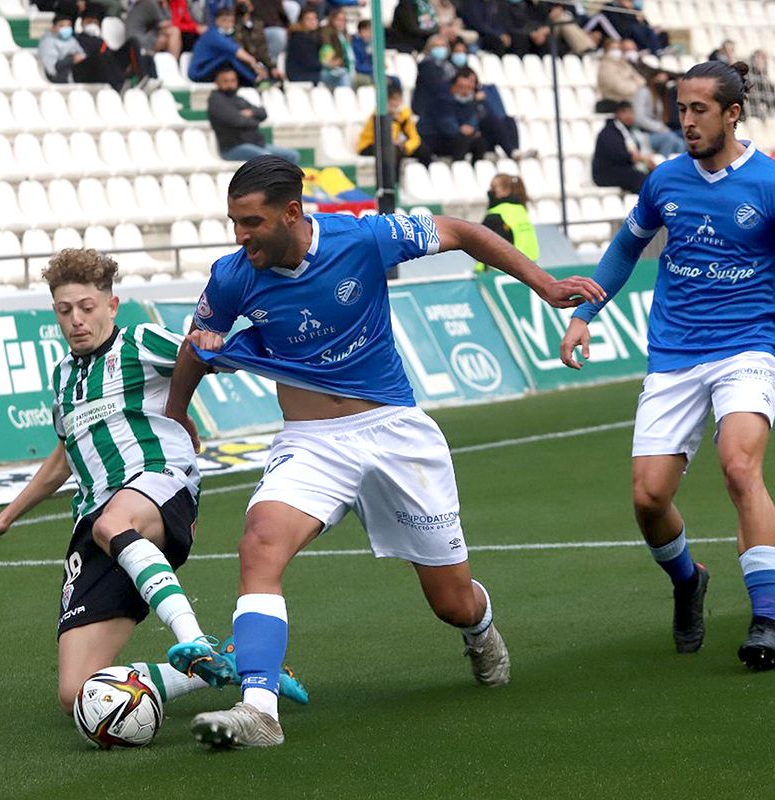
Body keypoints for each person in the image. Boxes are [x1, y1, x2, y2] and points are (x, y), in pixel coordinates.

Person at [163, 155, 605, 748]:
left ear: (291, 212)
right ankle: (259, 710)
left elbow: (464, 232)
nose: (239, 237)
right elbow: (197, 344)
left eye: (250, 222)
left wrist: (546, 284)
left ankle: (480, 629)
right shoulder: (233, 275)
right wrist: (178, 412)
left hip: (395, 433)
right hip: (311, 443)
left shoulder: (366, 235)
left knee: (451, 601)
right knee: (259, 543)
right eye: (233, 222)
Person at [560, 60, 775, 672]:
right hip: (674, 355)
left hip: (747, 349)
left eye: (698, 110)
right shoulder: (665, 180)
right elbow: (624, 250)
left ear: (732, 113)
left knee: (739, 467)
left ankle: (766, 622)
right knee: (648, 498)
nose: (685, 121)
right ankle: (688, 579)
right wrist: (586, 313)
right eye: (680, 108)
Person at [0, 248, 310, 715]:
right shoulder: (62, 379)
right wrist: (4, 519)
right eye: (64, 311)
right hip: (95, 521)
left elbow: (198, 352)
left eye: (87, 308)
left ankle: (191, 636)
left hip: (158, 486)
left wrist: (232, 350)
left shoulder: (138, 343)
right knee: (78, 694)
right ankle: (236, 664)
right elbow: (64, 457)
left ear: (111, 306)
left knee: (112, 521)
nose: (76, 320)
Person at [207, 67, 301, 163]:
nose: (230, 84)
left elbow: (263, 113)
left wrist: (251, 113)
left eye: (233, 81)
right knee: (267, 158)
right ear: (217, 83)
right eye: (225, 81)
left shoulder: (238, 99)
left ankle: (286, 178)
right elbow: (237, 121)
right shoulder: (216, 101)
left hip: (256, 143)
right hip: (233, 147)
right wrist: (253, 120)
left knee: (292, 155)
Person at [417, 69, 487, 164]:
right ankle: (458, 168)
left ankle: (477, 169)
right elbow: (447, 126)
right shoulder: (441, 99)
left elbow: (472, 121)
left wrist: (471, 130)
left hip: (453, 136)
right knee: (462, 141)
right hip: (434, 137)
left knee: (479, 142)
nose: (465, 91)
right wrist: (460, 129)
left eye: (468, 88)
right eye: (461, 87)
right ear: (453, 86)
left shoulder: (468, 102)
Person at [188, 7, 268, 85]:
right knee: (229, 58)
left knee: (232, 62)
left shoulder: (227, 35)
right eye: (224, 21)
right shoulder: (213, 34)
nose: (227, 24)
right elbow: (237, 51)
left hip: (211, 66)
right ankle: (255, 81)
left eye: (231, 21)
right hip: (199, 72)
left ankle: (257, 79)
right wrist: (254, 64)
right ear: (216, 21)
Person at [591, 101, 657, 194]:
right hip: (607, 173)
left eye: (631, 112)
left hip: (624, 168)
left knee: (655, 175)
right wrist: (640, 158)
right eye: (625, 112)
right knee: (639, 178)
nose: (628, 116)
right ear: (617, 114)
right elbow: (619, 155)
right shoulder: (609, 133)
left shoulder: (631, 131)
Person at [476, 173, 536, 273]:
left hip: (503, 270)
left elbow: (481, 244)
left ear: (506, 190)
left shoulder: (496, 214)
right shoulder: (521, 210)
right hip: (530, 267)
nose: (490, 191)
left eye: (493, 188)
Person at [356, 84, 423, 172]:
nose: (395, 104)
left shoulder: (404, 114)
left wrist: (406, 147)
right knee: (392, 151)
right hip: (370, 145)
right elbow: (381, 138)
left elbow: (414, 137)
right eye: (392, 100)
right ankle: (393, 182)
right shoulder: (378, 115)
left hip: (395, 145)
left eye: (397, 100)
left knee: (422, 150)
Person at [633, 70, 686, 157]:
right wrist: (659, 127)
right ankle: (663, 167)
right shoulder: (643, 92)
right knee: (668, 138)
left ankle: (679, 168)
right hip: (643, 134)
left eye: (664, 81)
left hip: (657, 132)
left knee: (680, 143)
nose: (661, 83)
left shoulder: (659, 96)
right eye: (659, 80)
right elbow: (639, 118)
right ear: (653, 79)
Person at [234, 1, 284, 85]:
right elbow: (238, 48)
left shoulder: (257, 24)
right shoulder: (233, 25)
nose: (244, 7)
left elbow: (262, 48)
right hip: (243, 64)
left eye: (246, 4)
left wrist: (272, 67)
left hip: (258, 62)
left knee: (273, 80)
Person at [318, 8, 354, 89]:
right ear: (332, 20)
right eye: (339, 20)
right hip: (328, 70)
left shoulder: (345, 35)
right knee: (344, 77)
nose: (341, 23)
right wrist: (329, 63)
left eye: (344, 20)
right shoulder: (327, 33)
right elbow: (326, 51)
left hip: (344, 69)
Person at [284, 8, 322, 83]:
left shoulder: (315, 36)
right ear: (301, 21)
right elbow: (309, 62)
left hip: (312, 72)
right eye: (308, 19)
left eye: (314, 18)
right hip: (300, 75)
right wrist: (327, 65)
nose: (312, 22)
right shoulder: (298, 38)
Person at [747, 50, 775, 119]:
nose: (763, 62)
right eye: (760, 58)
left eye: (764, 60)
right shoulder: (749, 75)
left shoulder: (764, 77)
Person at [351, 19, 374, 87]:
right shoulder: (355, 45)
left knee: (395, 80)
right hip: (360, 74)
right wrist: (374, 69)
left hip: (371, 73)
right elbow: (356, 65)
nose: (370, 34)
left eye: (371, 31)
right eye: (368, 31)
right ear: (361, 31)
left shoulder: (371, 44)